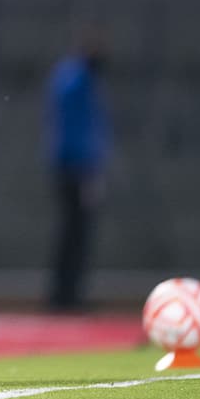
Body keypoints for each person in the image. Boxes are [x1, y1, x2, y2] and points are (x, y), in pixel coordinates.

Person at [44, 31, 112, 311]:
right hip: (74, 167)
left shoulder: (74, 77)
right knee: (75, 233)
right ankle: (65, 295)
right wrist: (90, 169)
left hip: (73, 165)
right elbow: (81, 130)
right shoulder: (76, 78)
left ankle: (67, 293)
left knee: (75, 233)